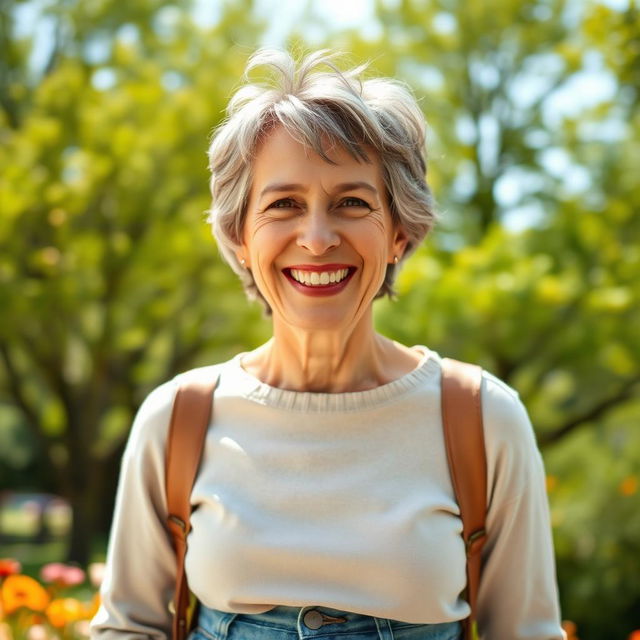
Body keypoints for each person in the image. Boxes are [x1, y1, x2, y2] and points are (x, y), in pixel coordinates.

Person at [90, 49, 566, 640]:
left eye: (352, 203)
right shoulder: (177, 420)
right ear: (240, 236)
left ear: (398, 232)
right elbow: (128, 629)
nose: (316, 239)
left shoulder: (481, 418)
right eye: (283, 204)